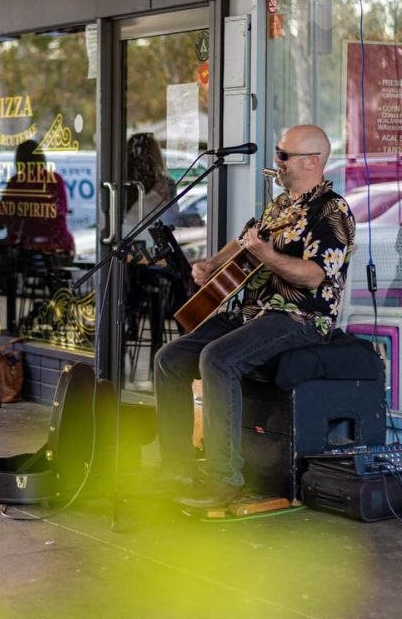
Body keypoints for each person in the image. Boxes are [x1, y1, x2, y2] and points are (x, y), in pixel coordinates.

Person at [154, 124, 355, 508]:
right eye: (277, 152)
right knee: (170, 359)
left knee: (218, 359)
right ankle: (177, 469)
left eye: (284, 155)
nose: (276, 161)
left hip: (300, 318)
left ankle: (224, 478)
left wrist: (268, 256)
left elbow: (314, 276)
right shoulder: (280, 205)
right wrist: (211, 264)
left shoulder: (333, 210)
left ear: (312, 161)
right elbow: (246, 240)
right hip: (254, 313)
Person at [0, 139, 75, 255]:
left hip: (27, 250)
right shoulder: (55, 179)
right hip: (60, 247)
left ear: (19, 161)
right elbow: (61, 212)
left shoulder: (17, 182)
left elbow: (1, 220)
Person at [125, 133, 179, 227]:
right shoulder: (165, 184)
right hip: (154, 232)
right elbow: (172, 217)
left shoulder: (121, 182)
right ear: (156, 155)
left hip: (127, 232)